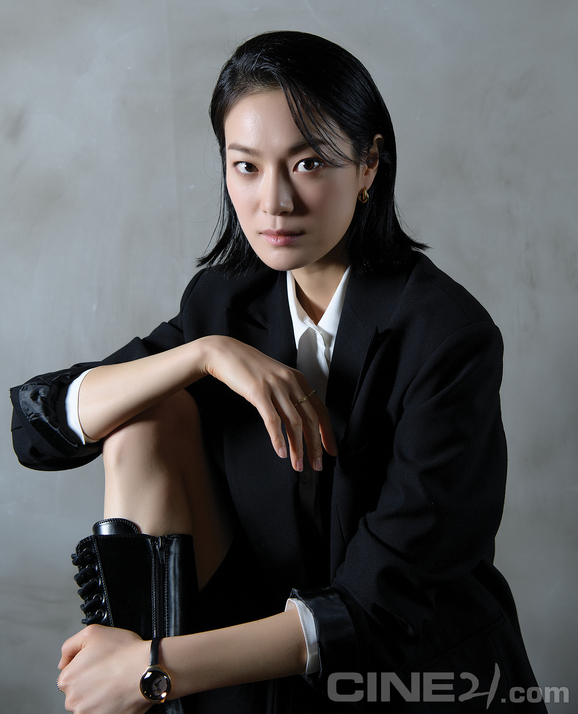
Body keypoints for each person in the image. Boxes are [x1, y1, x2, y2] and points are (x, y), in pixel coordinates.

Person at [10, 30, 545, 713]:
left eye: (308, 163)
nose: (275, 203)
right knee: (145, 415)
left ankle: (137, 683)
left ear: (369, 164)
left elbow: (377, 609)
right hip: (248, 658)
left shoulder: (447, 337)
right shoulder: (226, 304)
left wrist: (150, 668)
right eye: (246, 167)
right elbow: (38, 428)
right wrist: (203, 354)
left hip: (401, 672)